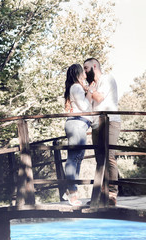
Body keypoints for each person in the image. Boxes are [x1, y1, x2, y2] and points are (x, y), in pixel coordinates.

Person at [83, 58, 121, 206]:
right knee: (99, 159)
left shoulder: (107, 78)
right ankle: (100, 195)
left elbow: (99, 98)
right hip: (96, 124)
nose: (85, 73)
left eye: (86, 69)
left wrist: (88, 89)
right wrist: (89, 89)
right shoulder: (93, 85)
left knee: (109, 156)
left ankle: (112, 194)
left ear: (94, 66)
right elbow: (87, 104)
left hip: (110, 121)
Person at [64, 63, 96, 206]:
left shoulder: (76, 88)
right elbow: (85, 108)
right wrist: (89, 91)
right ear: (78, 73)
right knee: (74, 158)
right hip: (77, 124)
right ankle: (72, 194)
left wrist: (88, 93)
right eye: (83, 71)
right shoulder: (76, 87)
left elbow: (85, 105)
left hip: (79, 124)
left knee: (77, 158)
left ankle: (70, 191)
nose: (85, 73)